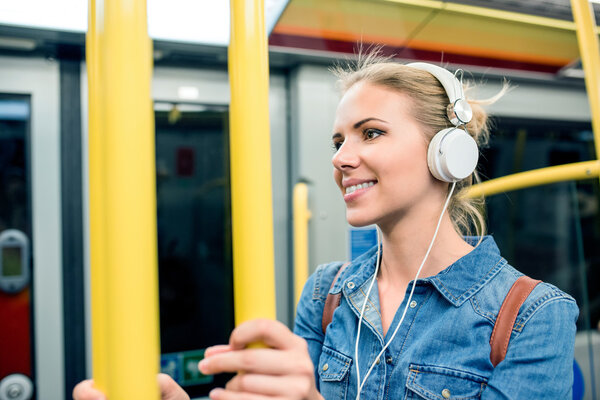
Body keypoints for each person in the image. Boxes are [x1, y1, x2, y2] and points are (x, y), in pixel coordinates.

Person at [74, 54, 579, 400]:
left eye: (371, 133)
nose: (341, 158)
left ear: (448, 154)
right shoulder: (327, 291)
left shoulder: (533, 317)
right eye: (338, 141)